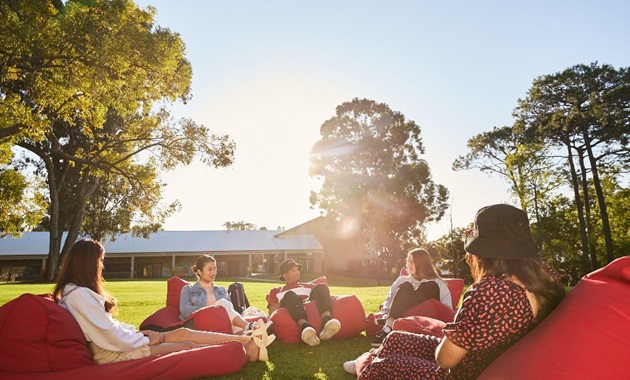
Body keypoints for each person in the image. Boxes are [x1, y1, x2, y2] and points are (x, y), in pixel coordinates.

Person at [343, 204, 566, 379]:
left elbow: (446, 360)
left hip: (460, 373)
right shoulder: (546, 281)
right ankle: (369, 357)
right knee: (395, 338)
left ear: (483, 254)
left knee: (383, 366)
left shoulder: (490, 292)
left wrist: (448, 338)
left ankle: (367, 364)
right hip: (482, 360)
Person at [53, 240, 272, 364]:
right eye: (100, 262)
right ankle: (248, 348)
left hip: (123, 341)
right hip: (112, 351)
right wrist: (147, 340)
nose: (102, 267)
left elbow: (109, 329)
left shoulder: (77, 292)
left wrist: (141, 334)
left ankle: (246, 341)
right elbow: (108, 336)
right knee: (187, 344)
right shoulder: (80, 295)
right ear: (88, 263)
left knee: (185, 334)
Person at [371, 248, 452, 348]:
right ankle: (388, 328)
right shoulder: (402, 280)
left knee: (430, 286)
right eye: (408, 261)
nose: (408, 265)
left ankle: (395, 324)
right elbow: (390, 298)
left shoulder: (438, 283)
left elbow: (447, 308)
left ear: (421, 264)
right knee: (406, 286)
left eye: (412, 262)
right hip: (400, 317)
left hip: (424, 321)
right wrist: (385, 314)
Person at [267, 259, 341, 346]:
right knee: (290, 295)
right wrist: (284, 301)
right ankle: (306, 328)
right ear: (284, 275)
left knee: (321, 287)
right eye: (293, 270)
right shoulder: (276, 291)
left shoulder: (308, 286)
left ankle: (327, 322)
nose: (298, 272)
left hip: (310, 305)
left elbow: (324, 297)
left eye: (298, 270)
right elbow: (271, 312)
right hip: (293, 308)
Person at [180, 254, 256, 335]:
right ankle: (249, 327)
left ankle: (249, 336)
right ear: (199, 271)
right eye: (210, 269)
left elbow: (230, 311)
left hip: (220, 321)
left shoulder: (221, 290)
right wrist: (211, 310)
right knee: (222, 303)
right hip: (198, 322)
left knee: (226, 310)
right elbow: (185, 311)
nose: (213, 272)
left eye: (215, 269)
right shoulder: (188, 289)